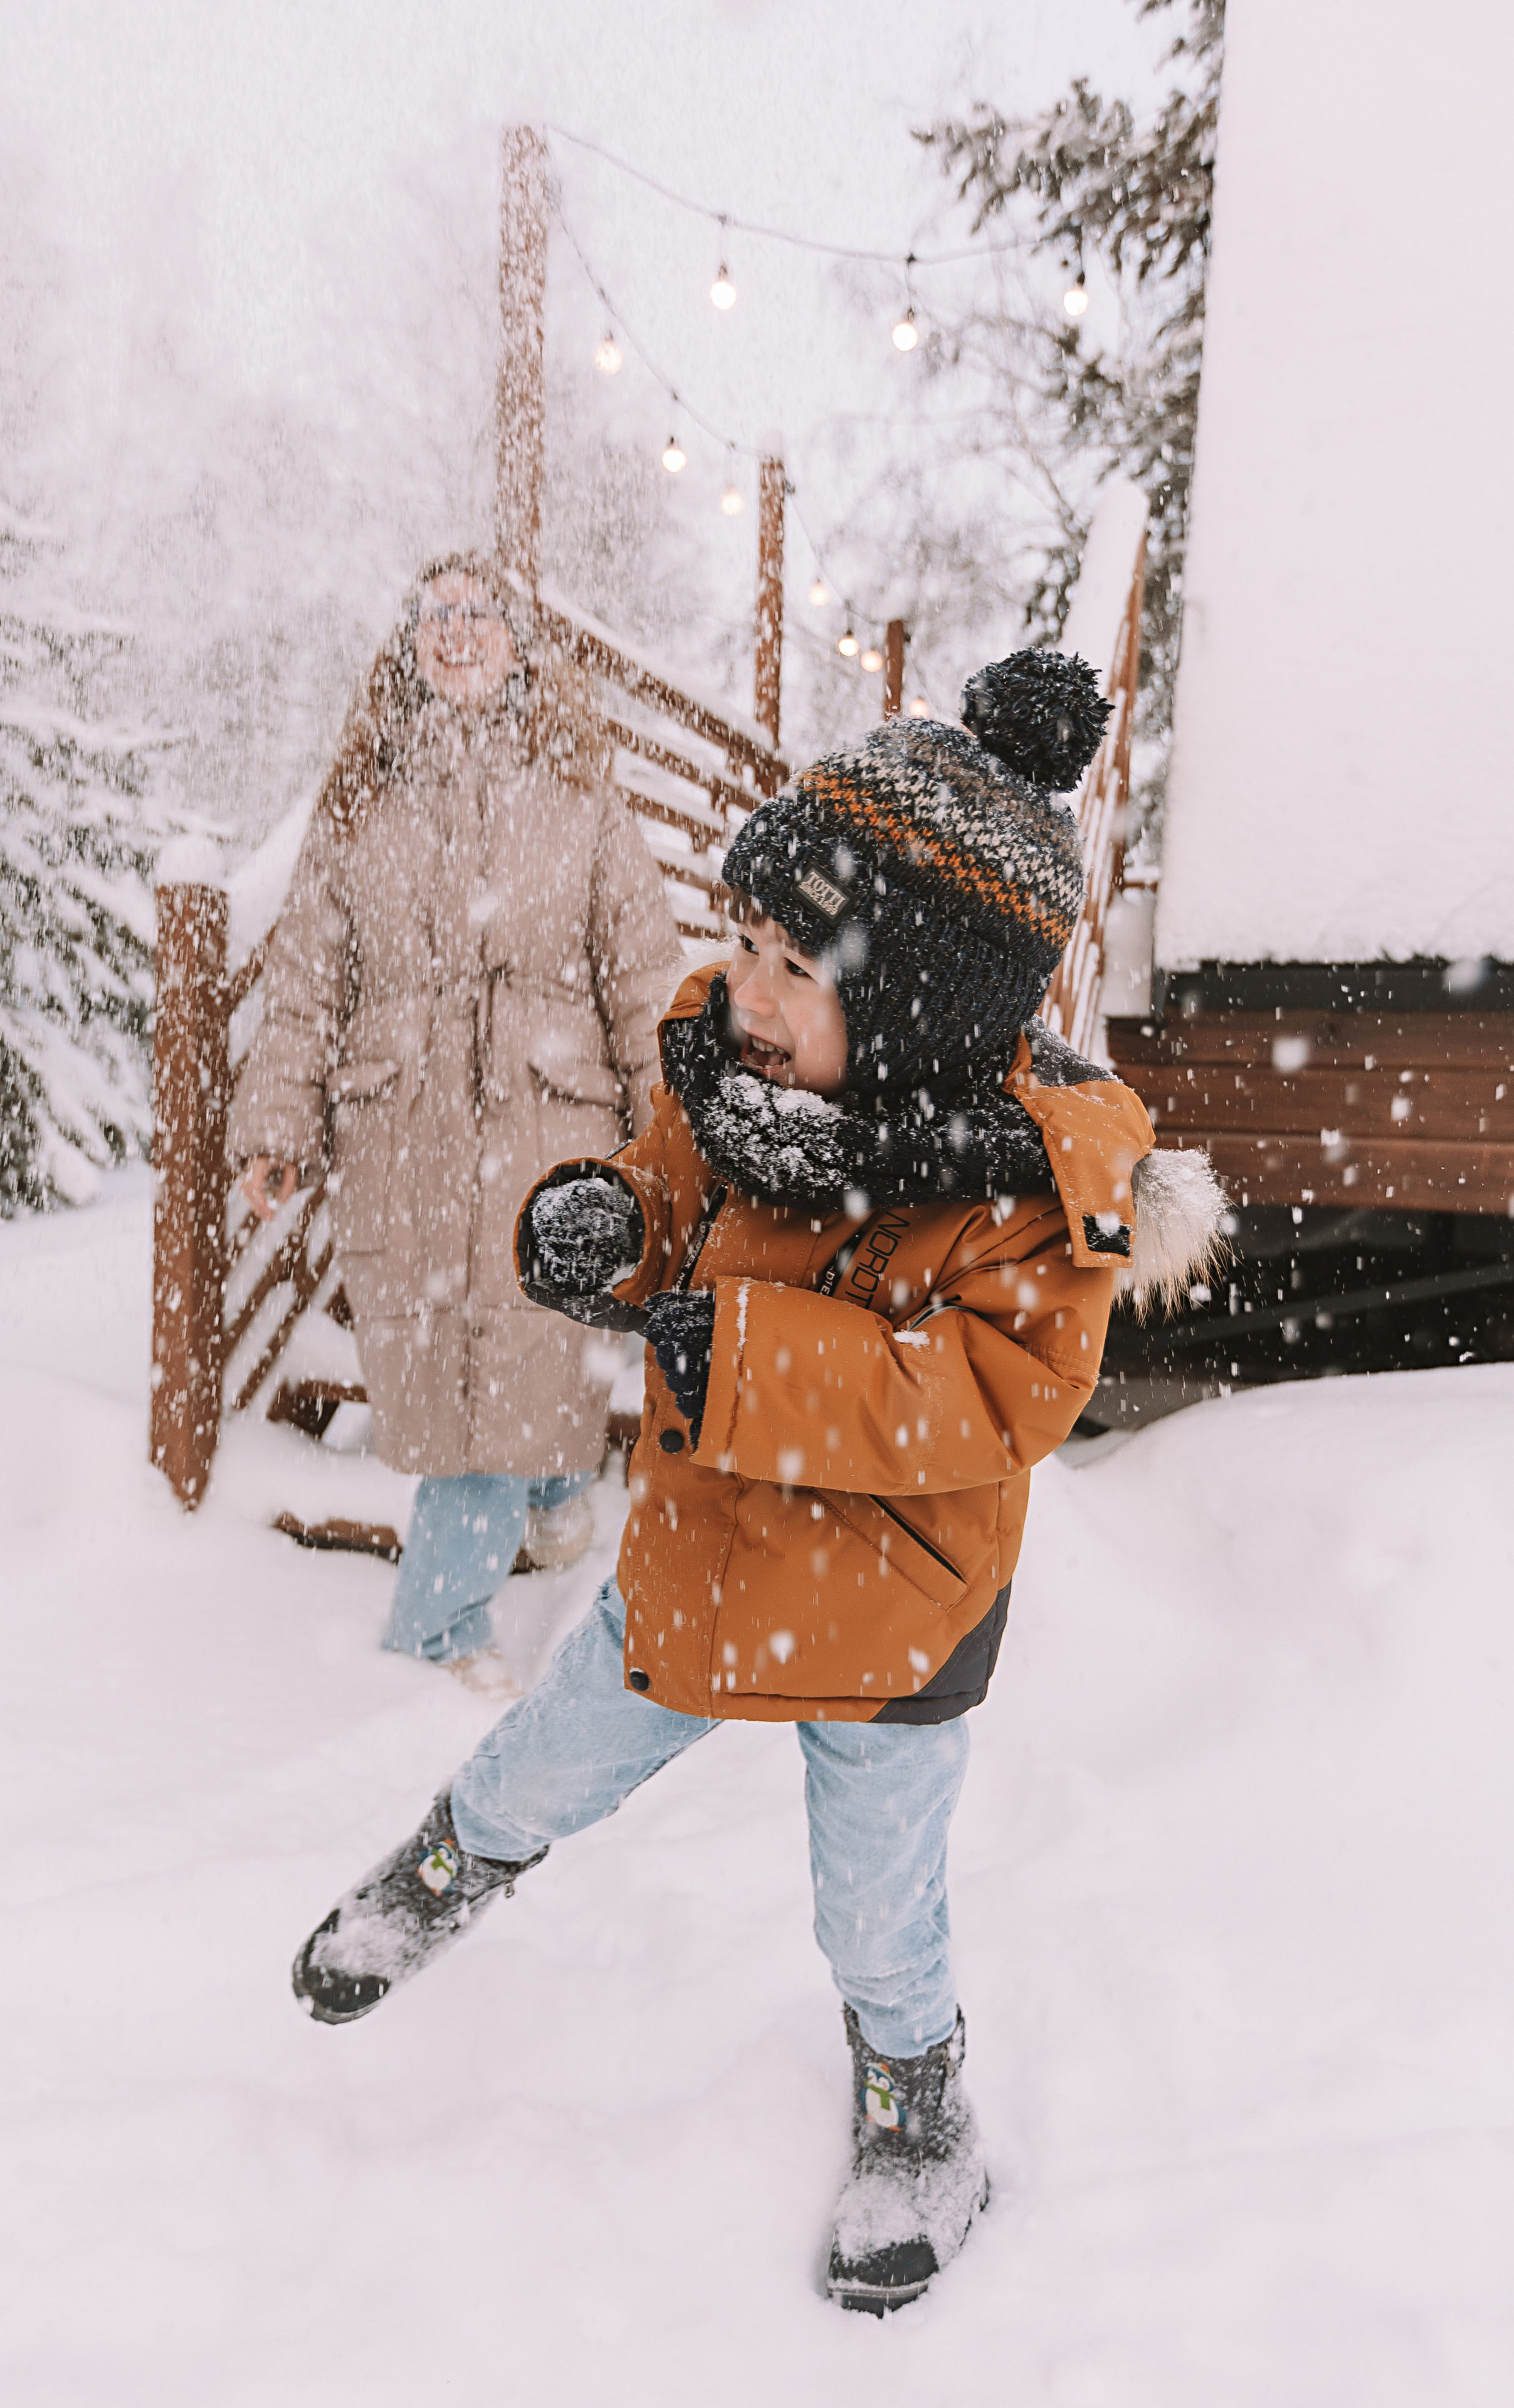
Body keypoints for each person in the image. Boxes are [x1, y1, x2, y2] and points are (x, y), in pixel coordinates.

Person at [285, 653, 1226, 2311]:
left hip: (897, 1624)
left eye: (797, 965)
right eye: (744, 942)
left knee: (878, 1911)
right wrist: (609, 1222)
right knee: (548, 1757)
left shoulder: (1033, 1203)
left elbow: (990, 1398)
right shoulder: (736, 1085)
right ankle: (447, 1866)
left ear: (925, 1002)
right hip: (710, 1555)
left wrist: (742, 1360)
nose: (747, 989)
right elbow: (669, 1198)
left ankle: (917, 2100)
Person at [229, 554, 683, 1683]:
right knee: (463, 1382)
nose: (460, 633)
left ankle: (545, 1500)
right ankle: (441, 1629)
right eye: (438, 616)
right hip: (410, 1131)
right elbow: (305, 979)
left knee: (535, 1351)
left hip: (549, 1121)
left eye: (482, 614)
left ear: (520, 644)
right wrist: (277, 1128)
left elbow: (641, 975)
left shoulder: (582, 801)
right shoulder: (364, 801)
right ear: (410, 642)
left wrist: (672, 1121)